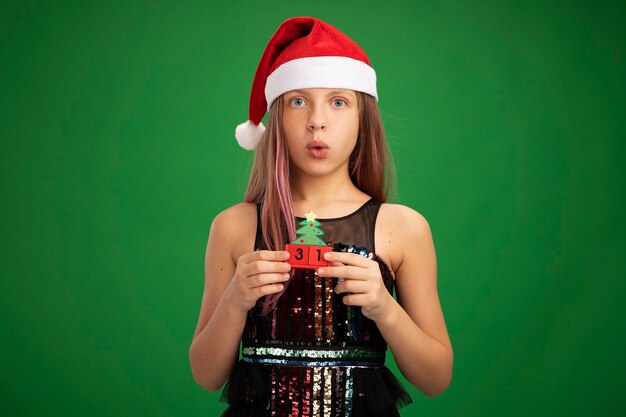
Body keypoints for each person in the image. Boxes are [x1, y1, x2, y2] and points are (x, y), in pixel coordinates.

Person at [189, 16, 453, 417]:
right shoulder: (234, 226)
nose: (317, 120)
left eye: (338, 101)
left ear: (364, 118)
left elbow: (436, 379)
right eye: (298, 101)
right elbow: (207, 376)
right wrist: (235, 300)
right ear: (276, 117)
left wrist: (384, 306)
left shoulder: (402, 227)